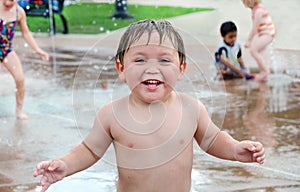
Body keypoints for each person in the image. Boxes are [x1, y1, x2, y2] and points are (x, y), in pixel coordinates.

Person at [33, 19, 265, 192]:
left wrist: (235, 149)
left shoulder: (192, 109)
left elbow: (213, 140)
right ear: (121, 68)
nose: (152, 68)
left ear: (181, 68)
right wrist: (64, 165)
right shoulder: (111, 115)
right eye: (140, 59)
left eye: (164, 60)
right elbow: (89, 150)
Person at [0, 0, 49, 120]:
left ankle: (19, 110)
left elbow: (26, 33)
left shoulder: (19, 13)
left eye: (11, 0)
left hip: (6, 50)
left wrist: (38, 49)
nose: (7, 2)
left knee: (20, 79)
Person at [242, 0, 275, 82]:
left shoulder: (259, 11)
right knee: (257, 52)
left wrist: (249, 40)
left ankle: (265, 71)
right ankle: (263, 73)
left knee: (253, 51)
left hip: (268, 34)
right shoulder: (255, 9)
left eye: (245, 2)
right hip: (265, 33)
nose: (245, 5)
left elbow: (255, 29)